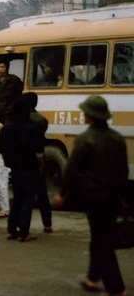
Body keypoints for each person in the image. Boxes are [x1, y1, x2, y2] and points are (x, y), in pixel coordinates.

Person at [53, 96, 128, 296]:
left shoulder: (85, 139)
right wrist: (122, 196)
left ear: (90, 116)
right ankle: (92, 278)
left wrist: (62, 193)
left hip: (94, 197)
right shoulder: (117, 138)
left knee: (102, 241)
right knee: (100, 236)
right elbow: (123, 171)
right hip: (112, 197)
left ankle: (116, 288)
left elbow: (72, 170)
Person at [0, 99, 44, 242]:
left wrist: (8, 154)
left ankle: (11, 231)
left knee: (17, 198)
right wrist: (41, 165)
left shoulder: (7, 128)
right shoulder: (32, 128)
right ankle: (24, 233)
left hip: (14, 167)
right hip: (30, 167)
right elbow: (39, 151)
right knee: (27, 199)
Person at [22, 92, 52, 233]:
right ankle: (47, 224)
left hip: (23, 161)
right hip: (37, 160)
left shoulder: (20, 119)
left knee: (25, 196)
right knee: (42, 195)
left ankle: (23, 227)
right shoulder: (41, 120)